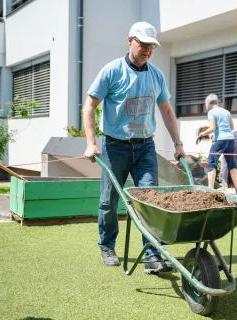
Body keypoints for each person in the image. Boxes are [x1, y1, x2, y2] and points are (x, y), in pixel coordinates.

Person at [83, 21, 185, 274]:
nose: (148, 50)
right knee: (109, 201)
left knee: (149, 199)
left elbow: (168, 111)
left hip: (145, 147)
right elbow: (89, 106)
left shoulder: (157, 76)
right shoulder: (112, 71)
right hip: (115, 147)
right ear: (130, 41)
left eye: (151, 46)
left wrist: (178, 143)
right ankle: (107, 246)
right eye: (143, 44)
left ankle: (151, 254)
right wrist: (90, 144)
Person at [196, 94, 237, 194]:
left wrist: (202, 134)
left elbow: (212, 128)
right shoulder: (226, 112)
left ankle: (211, 189)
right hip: (230, 139)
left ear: (208, 104)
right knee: (232, 164)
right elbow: (232, 127)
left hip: (220, 140)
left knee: (211, 163)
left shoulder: (211, 112)